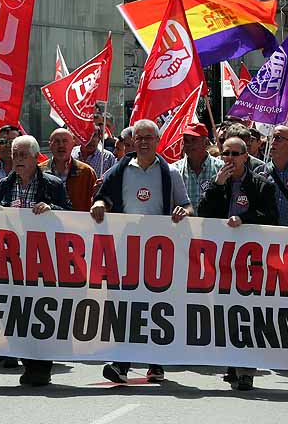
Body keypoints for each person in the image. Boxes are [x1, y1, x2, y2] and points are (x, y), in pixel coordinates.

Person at [93, 119, 191, 384]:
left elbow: (187, 206)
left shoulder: (170, 173)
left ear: (157, 141)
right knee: (124, 307)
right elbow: (103, 197)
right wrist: (100, 204)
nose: (144, 142)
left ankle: (156, 363)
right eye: (139, 138)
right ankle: (121, 363)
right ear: (132, 142)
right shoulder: (120, 170)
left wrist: (183, 213)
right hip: (127, 249)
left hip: (159, 252)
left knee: (155, 306)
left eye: (149, 137)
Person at [0, 135, 70, 386]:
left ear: (34, 158)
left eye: (22, 155)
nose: (17, 159)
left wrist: (53, 210)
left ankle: (40, 367)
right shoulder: (2, 187)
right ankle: (28, 361)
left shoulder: (52, 185)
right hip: (11, 262)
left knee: (40, 313)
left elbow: (71, 215)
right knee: (16, 315)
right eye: (14, 154)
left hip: (42, 261)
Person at [197, 136, 278, 391]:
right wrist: (217, 185)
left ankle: (247, 370)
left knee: (248, 315)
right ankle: (233, 364)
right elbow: (204, 214)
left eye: (234, 154)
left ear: (245, 157)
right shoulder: (217, 182)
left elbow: (271, 218)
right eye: (225, 154)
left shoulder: (262, 185)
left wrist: (244, 219)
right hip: (222, 260)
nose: (229, 159)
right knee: (227, 315)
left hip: (250, 261)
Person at [172, 122, 222, 211]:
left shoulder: (220, 168)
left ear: (206, 142)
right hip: (183, 224)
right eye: (186, 140)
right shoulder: (174, 170)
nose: (188, 144)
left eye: (193, 140)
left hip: (214, 224)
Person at [46, 128, 98, 211]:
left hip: (78, 222)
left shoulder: (87, 172)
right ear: (50, 145)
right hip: (46, 222)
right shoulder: (39, 171)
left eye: (65, 141)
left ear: (73, 144)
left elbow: (96, 200)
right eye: (57, 141)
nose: (61, 145)